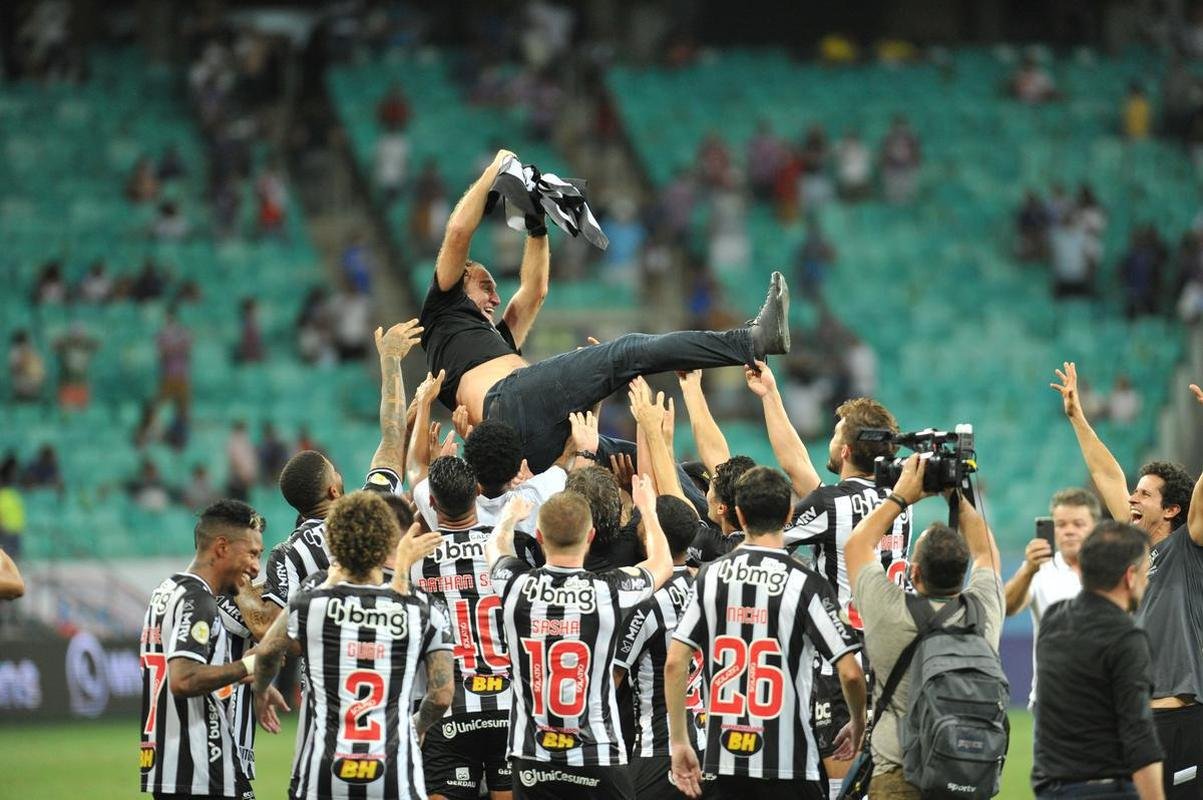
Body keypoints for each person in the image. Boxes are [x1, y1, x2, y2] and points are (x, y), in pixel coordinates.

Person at [419, 149, 789, 474]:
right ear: (459, 280)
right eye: (486, 286)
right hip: (511, 403)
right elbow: (456, 233)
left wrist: (535, 225)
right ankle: (750, 340)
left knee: (652, 467)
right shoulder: (444, 309)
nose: (496, 300)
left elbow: (535, 291)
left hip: (532, 440)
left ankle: (714, 530)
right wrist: (496, 168)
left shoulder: (491, 340)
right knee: (626, 352)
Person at [744, 360, 910, 797]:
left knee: (838, 783)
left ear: (847, 452)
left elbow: (769, 538)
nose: (831, 442)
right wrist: (771, 396)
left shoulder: (832, 505)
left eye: (836, 435)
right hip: (888, 660)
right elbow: (799, 467)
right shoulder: (900, 502)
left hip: (841, 663)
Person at [667, 466, 867, 800]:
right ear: (789, 513)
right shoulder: (806, 584)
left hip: (722, 763)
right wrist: (858, 721)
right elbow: (849, 672)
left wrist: (679, 741)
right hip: (789, 766)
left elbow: (675, 663)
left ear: (740, 515)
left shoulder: (709, 577)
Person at [1052, 363, 1203, 799]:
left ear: (1172, 510)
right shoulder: (1137, 549)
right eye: (1134, 492)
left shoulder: (1188, 545)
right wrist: (1078, 419)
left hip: (1180, 720)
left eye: (1145, 494)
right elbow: (1107, 475)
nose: (1132, 498)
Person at [251, 491, 454, 800]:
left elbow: (267, 652)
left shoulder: (310, 602)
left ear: (333, 543)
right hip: (394, 777)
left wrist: (262, 690)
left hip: (322, 775)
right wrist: (417, 725)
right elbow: (441, 696)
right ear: (389, 542)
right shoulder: (423, 608)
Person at [485, 478, 674, 799]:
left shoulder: (514, 586)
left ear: (540, 537)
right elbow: (662, 564)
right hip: (596, 754)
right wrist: (648, 511)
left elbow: (495, 548)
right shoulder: (608, 591)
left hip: (532, 756)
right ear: (590, 537)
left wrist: (510, 515)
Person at [845, 456, 1004, 798]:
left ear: (913, 573)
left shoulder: (889, 611)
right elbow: (986, 554)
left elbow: (857, 545)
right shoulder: (983, 610)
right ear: (962, 575)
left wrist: (901, 495)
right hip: (963, 774)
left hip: (899, 774)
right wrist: (953, 493)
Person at [259, 321, 423, 627]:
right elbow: (392, 433)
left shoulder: (287, 554)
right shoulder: (372, 508)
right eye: (334, 472)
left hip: (323, 671)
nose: (339, 474)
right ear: (334, 491)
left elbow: (272, 629)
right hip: (386, 657)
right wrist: (390, 358)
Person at [137, 499, 285, 799]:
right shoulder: (199, 601)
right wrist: (248, 666)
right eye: (253, 554)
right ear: (221, 547)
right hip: (201, 770)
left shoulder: (167, 591)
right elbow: (184, 679)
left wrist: (251, 678)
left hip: (172, 767)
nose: (256, 568)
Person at [411, 455, 523, 800]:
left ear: (431, 502)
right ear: (477, 492)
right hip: (509, 708)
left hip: (446, 711)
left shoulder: (414, 560)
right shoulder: (511, 546)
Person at [1032, 521, 1165, 799]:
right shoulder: (1126, 638)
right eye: (1144, 572)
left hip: (1052, 788)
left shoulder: (1054, 618)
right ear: (1129, 576)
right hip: (1106, 789)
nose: (1148, 579)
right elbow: (1139, 735)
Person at [613, 495, 708, 799]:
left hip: (660, 748)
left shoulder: (646, 600)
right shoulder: (706, 585)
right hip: (708, 742)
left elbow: (611, 680)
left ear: (652, 534)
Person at [1004, 488, 1096, 708]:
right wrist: (1028, 569)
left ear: (1095, 528)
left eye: (1078, 524)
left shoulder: (1111, 570)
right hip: (1051, 700)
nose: (1069, 531)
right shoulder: (1040, 570)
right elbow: (1006, 607)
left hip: (1101, 699)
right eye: (1061, 524)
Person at [53, 322, 98, 409]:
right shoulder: (64, 348)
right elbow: (55, 344)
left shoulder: (86, 348)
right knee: (66, 413)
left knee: (83, 415)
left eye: (79, 336)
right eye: (75, 336)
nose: (77, 340)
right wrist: (68, 340)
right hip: (67, 385)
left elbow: (97, 344)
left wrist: (84, 342)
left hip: (81, 385)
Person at [8, 330, 45, 403]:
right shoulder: (14, 353)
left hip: (34, 385)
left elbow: (39, 367)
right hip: (20, 385)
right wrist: (24, 360)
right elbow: (15, 369)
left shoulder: (32, 351)